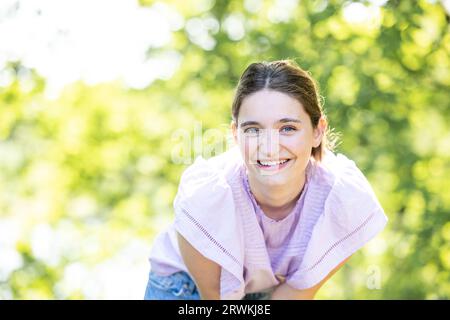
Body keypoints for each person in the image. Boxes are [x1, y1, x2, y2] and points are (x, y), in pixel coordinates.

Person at [144, 60, 388, 300]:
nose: (270, 149)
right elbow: (214, 298)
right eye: (253, 129)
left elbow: (297, 294)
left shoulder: (342, 200)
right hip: (184, 287)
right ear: (236, 135)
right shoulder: (206, 198)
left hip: (264, 288)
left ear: (317, 131)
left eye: (287, 128)